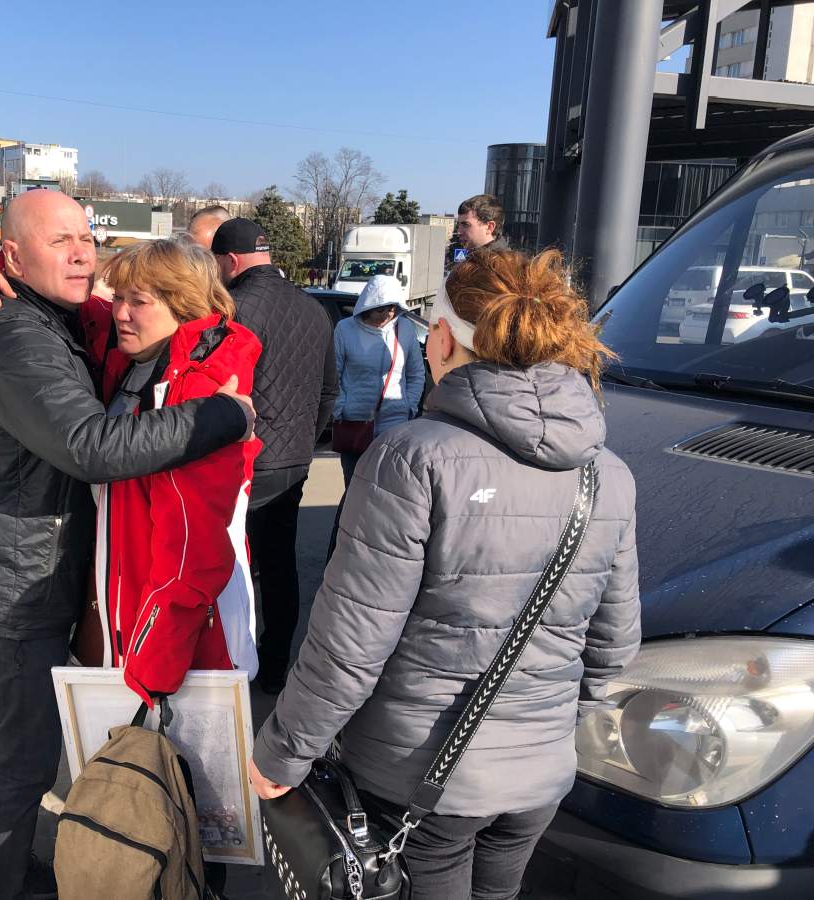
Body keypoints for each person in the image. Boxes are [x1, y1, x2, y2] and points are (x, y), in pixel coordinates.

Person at [249, 248, 641, 900]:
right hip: (539, 779)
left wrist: (284, 752)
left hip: (414, 779)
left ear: (440, 337)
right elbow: (612, 648)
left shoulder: (411, 459)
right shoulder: (608, 472)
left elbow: (351, 643)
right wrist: (540, 733)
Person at [0, 191, 255, 900]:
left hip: (35, 572)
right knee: (22, 758)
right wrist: (223, 415)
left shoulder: (52, 314)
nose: (81, 252)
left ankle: (5, 872)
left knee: (15, 747)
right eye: (59, 241)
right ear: (16, 257)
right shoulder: (18, 337)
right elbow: (88, 444)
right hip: (21, 584)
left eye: (86, 236)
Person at [91, 239, 263, 702]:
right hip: (138, 612)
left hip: (184, 644)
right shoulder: (143, 364)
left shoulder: (198, 388)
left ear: (183, 305)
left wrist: (154, 664)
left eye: (138, 301)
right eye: (118, 298)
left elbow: (193, 544)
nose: (120, 313)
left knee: (174, 772)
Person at [210, 217, 337, 694]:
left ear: (230, 261)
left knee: (230, 563)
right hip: (295, 462)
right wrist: (304, 439)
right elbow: (329, 390)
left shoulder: (232, 309)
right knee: (280, 563)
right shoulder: (313, 309)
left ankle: (230, 666)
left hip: (241, 461)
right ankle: (276, 663)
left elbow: (214, 392)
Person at [332, 274, 425, 486]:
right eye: (381, 308)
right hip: (354, 423)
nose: (387, 314)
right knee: (355, 486)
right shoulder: (345, 329)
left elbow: (416, 373)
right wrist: (341, 408)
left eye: (392, 308)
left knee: (390, 487)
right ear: (367, 304)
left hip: (395, 424)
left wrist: (408, 406)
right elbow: (333, 374)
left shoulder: (406, 329)